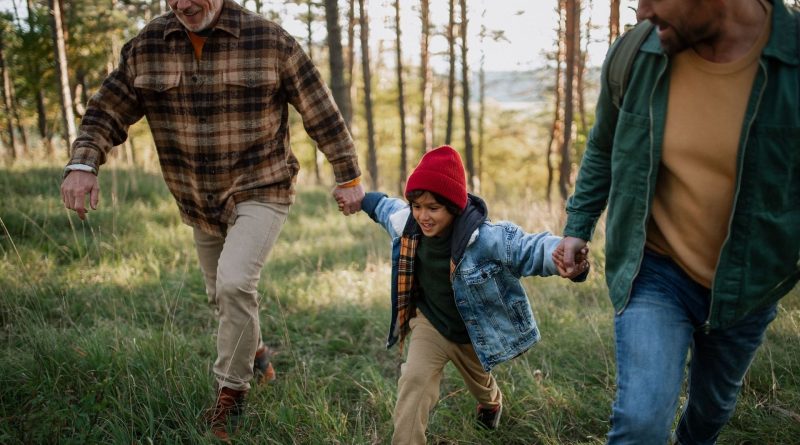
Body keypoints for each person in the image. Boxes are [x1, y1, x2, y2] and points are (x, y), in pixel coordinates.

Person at [59, 0, 364, 440]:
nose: (183, 4)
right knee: (220, 294)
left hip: (262, 185)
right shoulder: (147, 46)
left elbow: (320, 109)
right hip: (197, 198)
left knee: (235, 283)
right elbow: (107, 110)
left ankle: (230, 395)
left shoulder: (269, 40)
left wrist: (348, 175)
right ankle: (256, 354)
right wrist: (84, 164)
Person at [553, 0, 800, 444]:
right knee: (640, 422)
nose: (642, 10)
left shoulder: (793, 59)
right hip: (656, 270)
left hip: (748, 287)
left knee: (710, 413)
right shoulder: (638, 52)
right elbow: (604, 146)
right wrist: (577, 226)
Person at [352, 146, 589, 445]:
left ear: (453, 206)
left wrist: (564, 258)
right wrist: (362, 199)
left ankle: (491, 404)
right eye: (417, 205)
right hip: (431, 324)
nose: (422, 215)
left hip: (471, 333)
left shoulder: (485, 239)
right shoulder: (406, 223)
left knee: (482, 388)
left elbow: (528, 248)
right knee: (414, 380)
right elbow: (384, 208)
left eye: (433, 208)